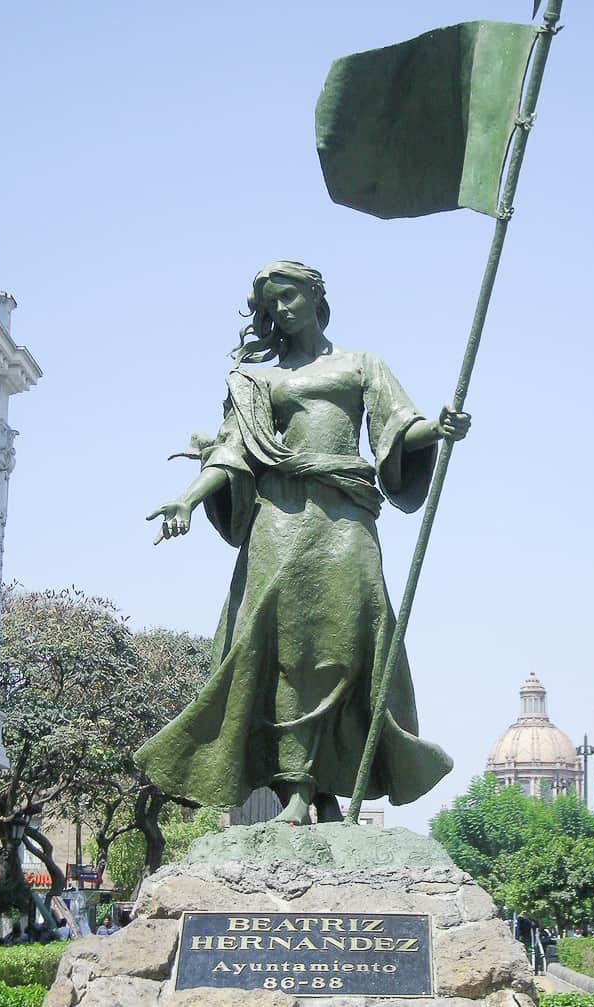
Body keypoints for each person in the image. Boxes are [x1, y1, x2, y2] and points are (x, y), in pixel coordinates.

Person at [138, 261, 471, 825]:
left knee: (350, 645)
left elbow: (396, 426)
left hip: (346, 518)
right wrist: (188, 500)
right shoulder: (258, 382)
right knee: (284, 651)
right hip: (280, 519)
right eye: (271, 305)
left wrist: (437, 429)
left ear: (316, 296)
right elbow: (233, 452)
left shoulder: (363, 364)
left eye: (288, 297)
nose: (280, 311)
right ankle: (299, 789)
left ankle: (330, 785)